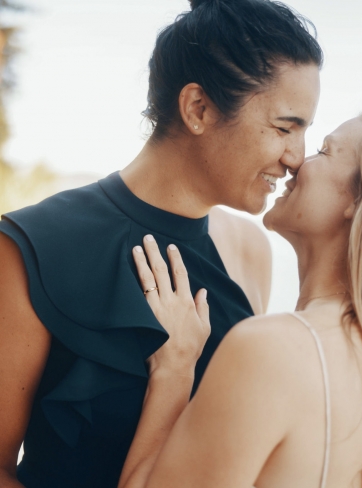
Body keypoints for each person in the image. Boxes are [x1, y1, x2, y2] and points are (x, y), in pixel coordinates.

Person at [0, 0, 322, 487]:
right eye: (284, 128)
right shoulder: (32, 247)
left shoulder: (248, 249)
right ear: (198, 108)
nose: (296, 158)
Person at [119, 112, 362, 488]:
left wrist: (175, 370)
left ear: (356, 199)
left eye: (323, 151)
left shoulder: (273, 348)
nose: (297, 161)